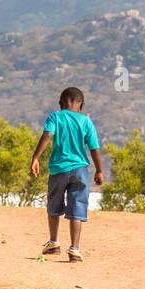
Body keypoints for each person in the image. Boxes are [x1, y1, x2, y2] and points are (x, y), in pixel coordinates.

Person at [29, 86, 104, 261]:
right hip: (80, 171)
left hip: (58, 169)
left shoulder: (55, 117)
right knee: (77, 207)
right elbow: (94, 148)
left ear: (60, 104)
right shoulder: (86, 122)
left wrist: (35, 157)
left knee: (54, 204)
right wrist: (99, 170)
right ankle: (75, 249)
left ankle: (54, 242)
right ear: (82, 106)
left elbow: (47, 136)